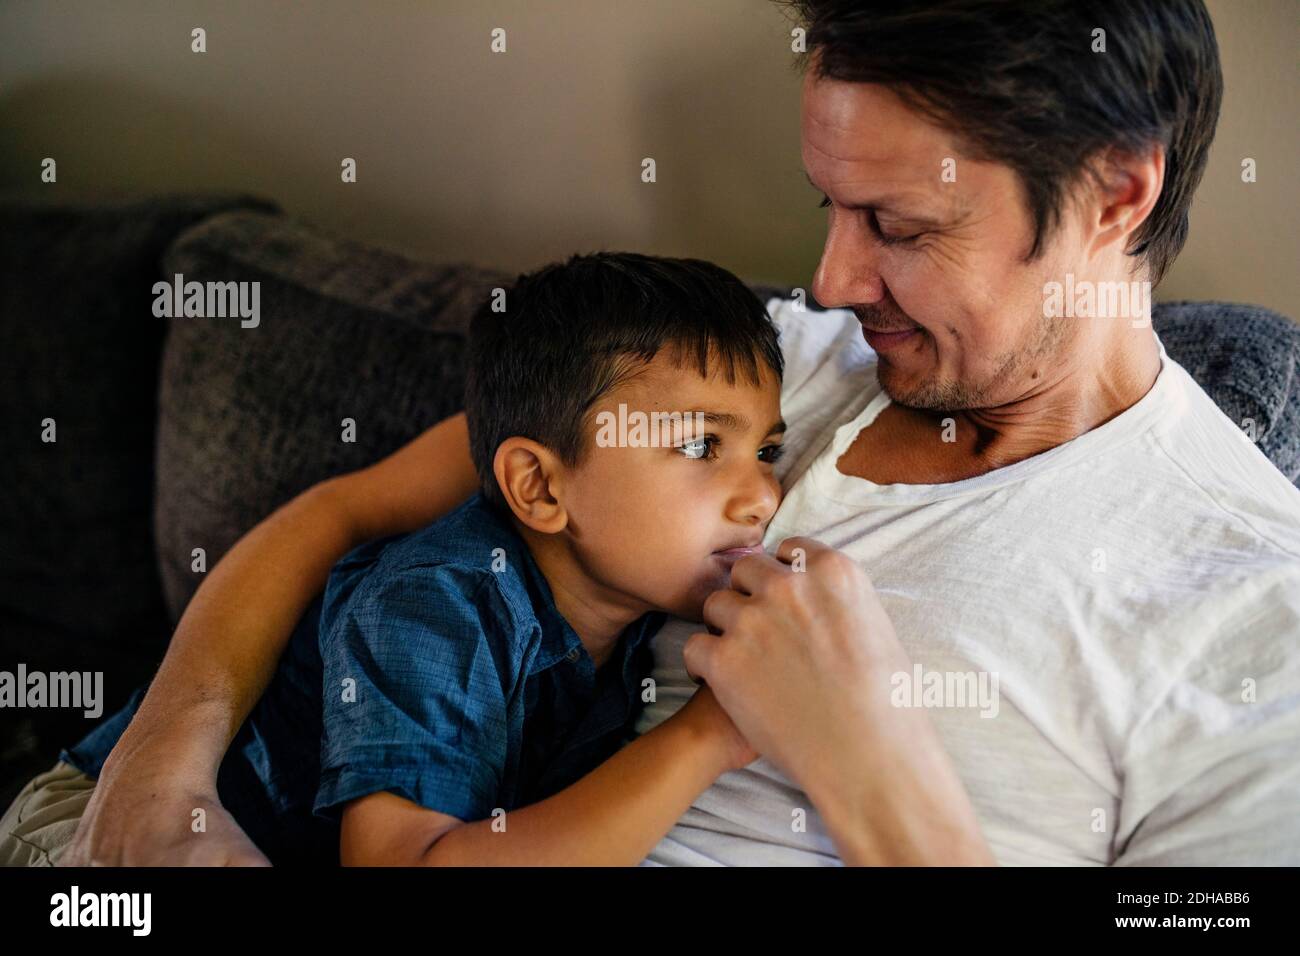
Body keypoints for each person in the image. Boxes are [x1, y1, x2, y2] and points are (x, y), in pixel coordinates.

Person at [62, 0, 1300, 866]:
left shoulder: (1256, 614)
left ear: (1114, 194)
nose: (829, 282)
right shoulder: (748, 370)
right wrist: (153, 778)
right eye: (830, 207)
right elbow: (345, 508)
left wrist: (873, 767)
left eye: (898, 226)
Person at [0, 252, 786, 866]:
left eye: (769, 451)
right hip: (91, 831)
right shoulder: (437, 604)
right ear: (540, 488)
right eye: (700, 445)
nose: (763, 495)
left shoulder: (625, 611)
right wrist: (705, 737)